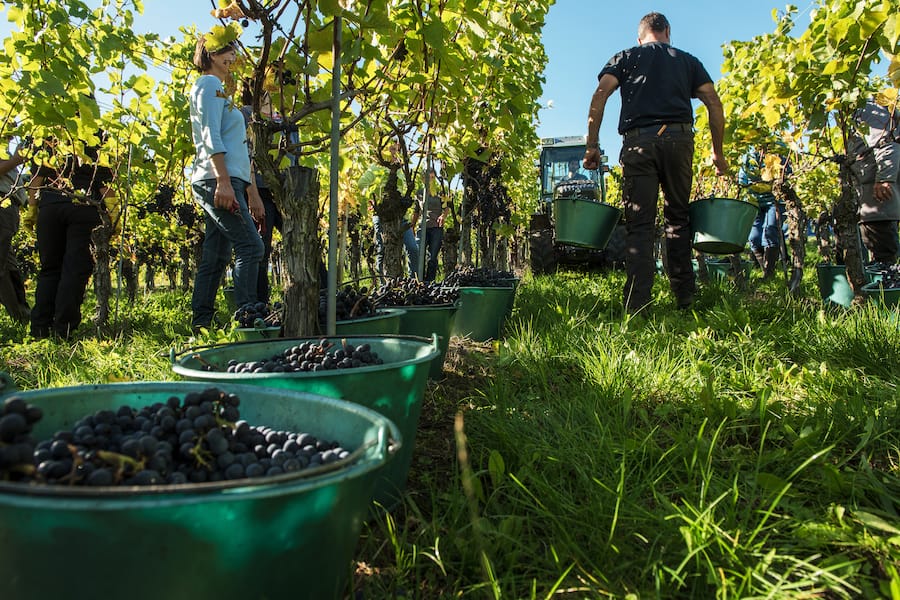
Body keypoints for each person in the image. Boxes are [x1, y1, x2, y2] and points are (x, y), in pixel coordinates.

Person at [583, 12, 728, 312]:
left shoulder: (625, 57)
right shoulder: (687, 60)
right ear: (667, 32)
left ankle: (637, 306)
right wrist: (718, 152)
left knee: (640, 225)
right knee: (678, 219)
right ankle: (685, 298)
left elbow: (600, 95)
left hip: (640, 144)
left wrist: (592, 146)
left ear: (640, 36)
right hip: (679, 141)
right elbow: (713, 102)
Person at [189, 36, 265, 330]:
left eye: (234, 50)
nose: (232, 55)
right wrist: (222, 181)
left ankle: (201, 325)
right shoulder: (208, 85)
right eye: (226, 50)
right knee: (251, 248)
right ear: (210, 53)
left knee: (216, 255)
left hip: (222, 177)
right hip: (217, 178)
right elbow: (210, 135)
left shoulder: (219, 90)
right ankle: (247, 320)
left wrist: (248, 188)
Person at [25, 133, 116, 339]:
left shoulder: (49, 133)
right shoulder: (94, 135)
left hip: (50, 207)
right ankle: (63, 329)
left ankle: (39, 328)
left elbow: (36, 177)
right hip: (84, 206)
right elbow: (103, 183)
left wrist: (32, 208)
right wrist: (114, 211)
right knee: (75, 269)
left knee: (49, 269)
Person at [240, 88, 284, 305]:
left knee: (305, 243)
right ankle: (259, 307)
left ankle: (324, 300)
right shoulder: (247, 115)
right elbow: (245, 156)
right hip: (261, 191)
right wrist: (253, 194)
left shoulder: (287, 117)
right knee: (261, 252)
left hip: (285, 193)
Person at [849, 91, 900, 266]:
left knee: (882, 246)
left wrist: (885, 178)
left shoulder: (868, 109)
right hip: (869, 187)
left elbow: (886, 143)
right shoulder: (854, 111)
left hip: (876, 189)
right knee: (877, 243)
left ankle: (888, 289)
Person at [738, 143, 790, 278]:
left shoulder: (778, 153)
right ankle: (765, 270)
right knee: (754, 238)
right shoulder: (749, 157)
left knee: (770, 231)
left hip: (774, 201)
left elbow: (787, 174)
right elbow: (742, 179)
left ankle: (769, 274)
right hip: (754, 201)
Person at [0, 138, 30, 323]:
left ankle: (21, 316)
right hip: (2, 205)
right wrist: (16, 160)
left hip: (8, 206)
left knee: (9, 267)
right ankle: (19, 318)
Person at [412, 167, 448, 281]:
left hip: (436, 228)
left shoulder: (440, 193)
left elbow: (446, 207)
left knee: (432, 257)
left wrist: (443, 216)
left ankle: (430, 282)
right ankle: (419, 280)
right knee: (419, 254)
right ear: (423, 179)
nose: (430, 180)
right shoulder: (419, 193)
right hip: (422, 227)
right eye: (428, 178)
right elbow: (416, 211)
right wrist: (412, 226)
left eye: (433, 178)